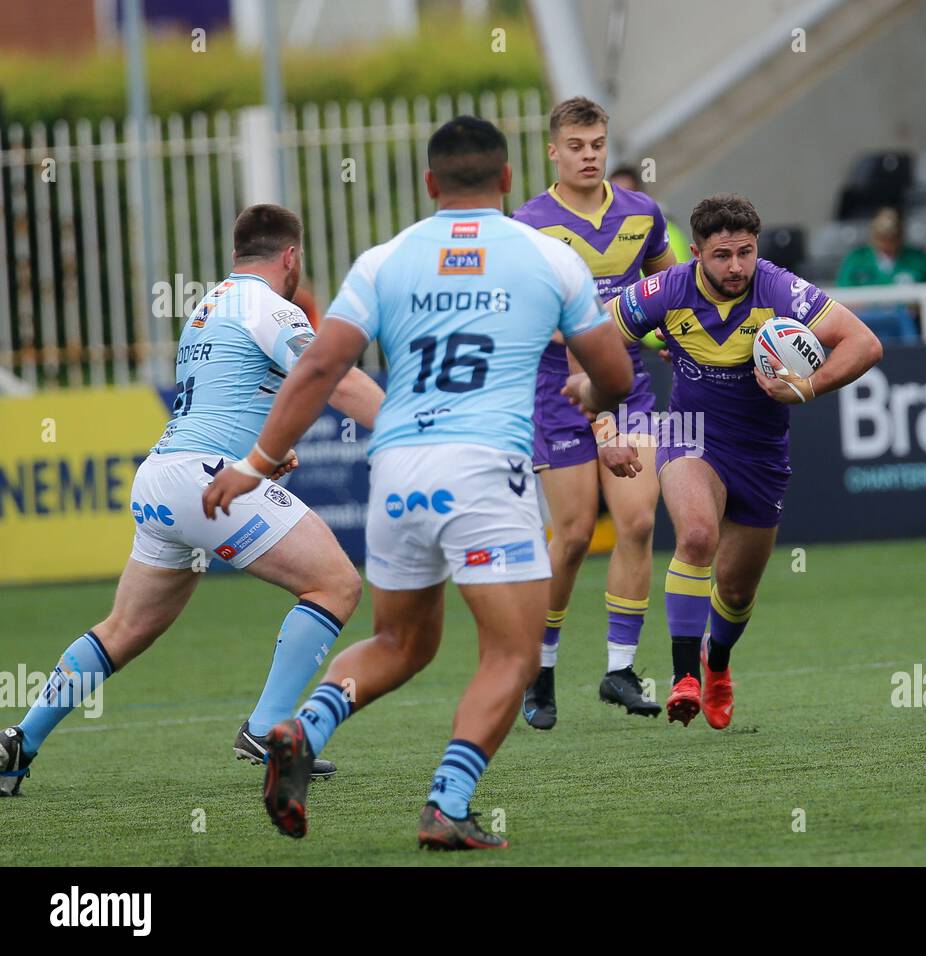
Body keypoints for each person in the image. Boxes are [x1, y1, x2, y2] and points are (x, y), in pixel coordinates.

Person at [203, 117, 633, 850]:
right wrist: (594, 397)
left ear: (431, 185)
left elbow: (318, 370)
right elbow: (616, 371)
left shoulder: (385, 260)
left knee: (400, 641)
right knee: (512, 654)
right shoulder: (548, 257)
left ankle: (301, 730)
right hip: (485, 469)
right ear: (507, 180)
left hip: (399, 464)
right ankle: (447, 802)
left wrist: (252, 464)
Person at [0, 204, 385, 796]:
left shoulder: (206, 309)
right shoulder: (271, 306)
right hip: (202, 480)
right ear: (291, 257)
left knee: (126, 626)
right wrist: (409, 430)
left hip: (161, 476)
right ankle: (267, 729)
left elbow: (228, 399)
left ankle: (18, 742)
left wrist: (261, 455)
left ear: (236, 254)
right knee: (336, 584)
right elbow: (328, 376)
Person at [568, 194, 883, 729]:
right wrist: (604, 427)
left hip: (761, 450)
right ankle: (684, 676)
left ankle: (717, 662)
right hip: (690, 434)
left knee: (736, 592)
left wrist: (807, 386)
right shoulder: (666, 290)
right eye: (722, 256)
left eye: (745, 253)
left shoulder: (777, 286)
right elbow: (589, 342)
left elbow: (864, 343)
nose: (736, 267)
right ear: (696, 254)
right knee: (695, 537)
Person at [511, 98, 677, 728]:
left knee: (636, 522)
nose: (589, 154)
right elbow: (532, 317)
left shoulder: (642, 214)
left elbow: (669, 288)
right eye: (576, 145)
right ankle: (540, 668)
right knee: (575, 534)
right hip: (558, 392)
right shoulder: (528, 224)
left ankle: (619, 670)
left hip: (629, 384)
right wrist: (593, 383)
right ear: (553, 151)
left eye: (598, 144)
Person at [610, 163, 692, 263]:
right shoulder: (603, 236)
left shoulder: (665, 233)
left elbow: (677, 275)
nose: (619, 202)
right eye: (613, 195)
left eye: (627, 195)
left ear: (641, 197)